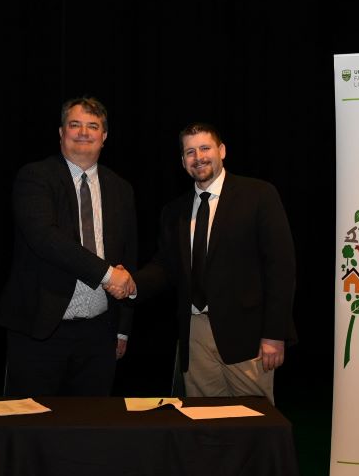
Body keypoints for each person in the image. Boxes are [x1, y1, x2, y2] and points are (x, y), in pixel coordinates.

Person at [109, 123, 296, 404]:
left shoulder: (259, 195)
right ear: (183, 162)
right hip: (194, 334)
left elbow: (281, 268)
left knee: (252, 423)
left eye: (205, 148)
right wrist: (133, 284)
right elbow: (165, 267)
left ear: (221, 150)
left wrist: (274, 334)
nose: (199, 157)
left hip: (247, 335)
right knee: (204, 422)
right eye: (190, 152)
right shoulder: (174, 212)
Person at [0, 97, 137, 396]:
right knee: (33, 431)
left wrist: (123, 328)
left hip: (100, 336)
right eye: (75, 125)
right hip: (40, 331)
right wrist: (108, 275)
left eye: (93, 126)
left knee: (90, 430)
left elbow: (128, 256)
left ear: (104, 136)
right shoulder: (35, 177)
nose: (84, 132)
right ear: (61, 132)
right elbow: (45, 238)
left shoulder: (121, 188)